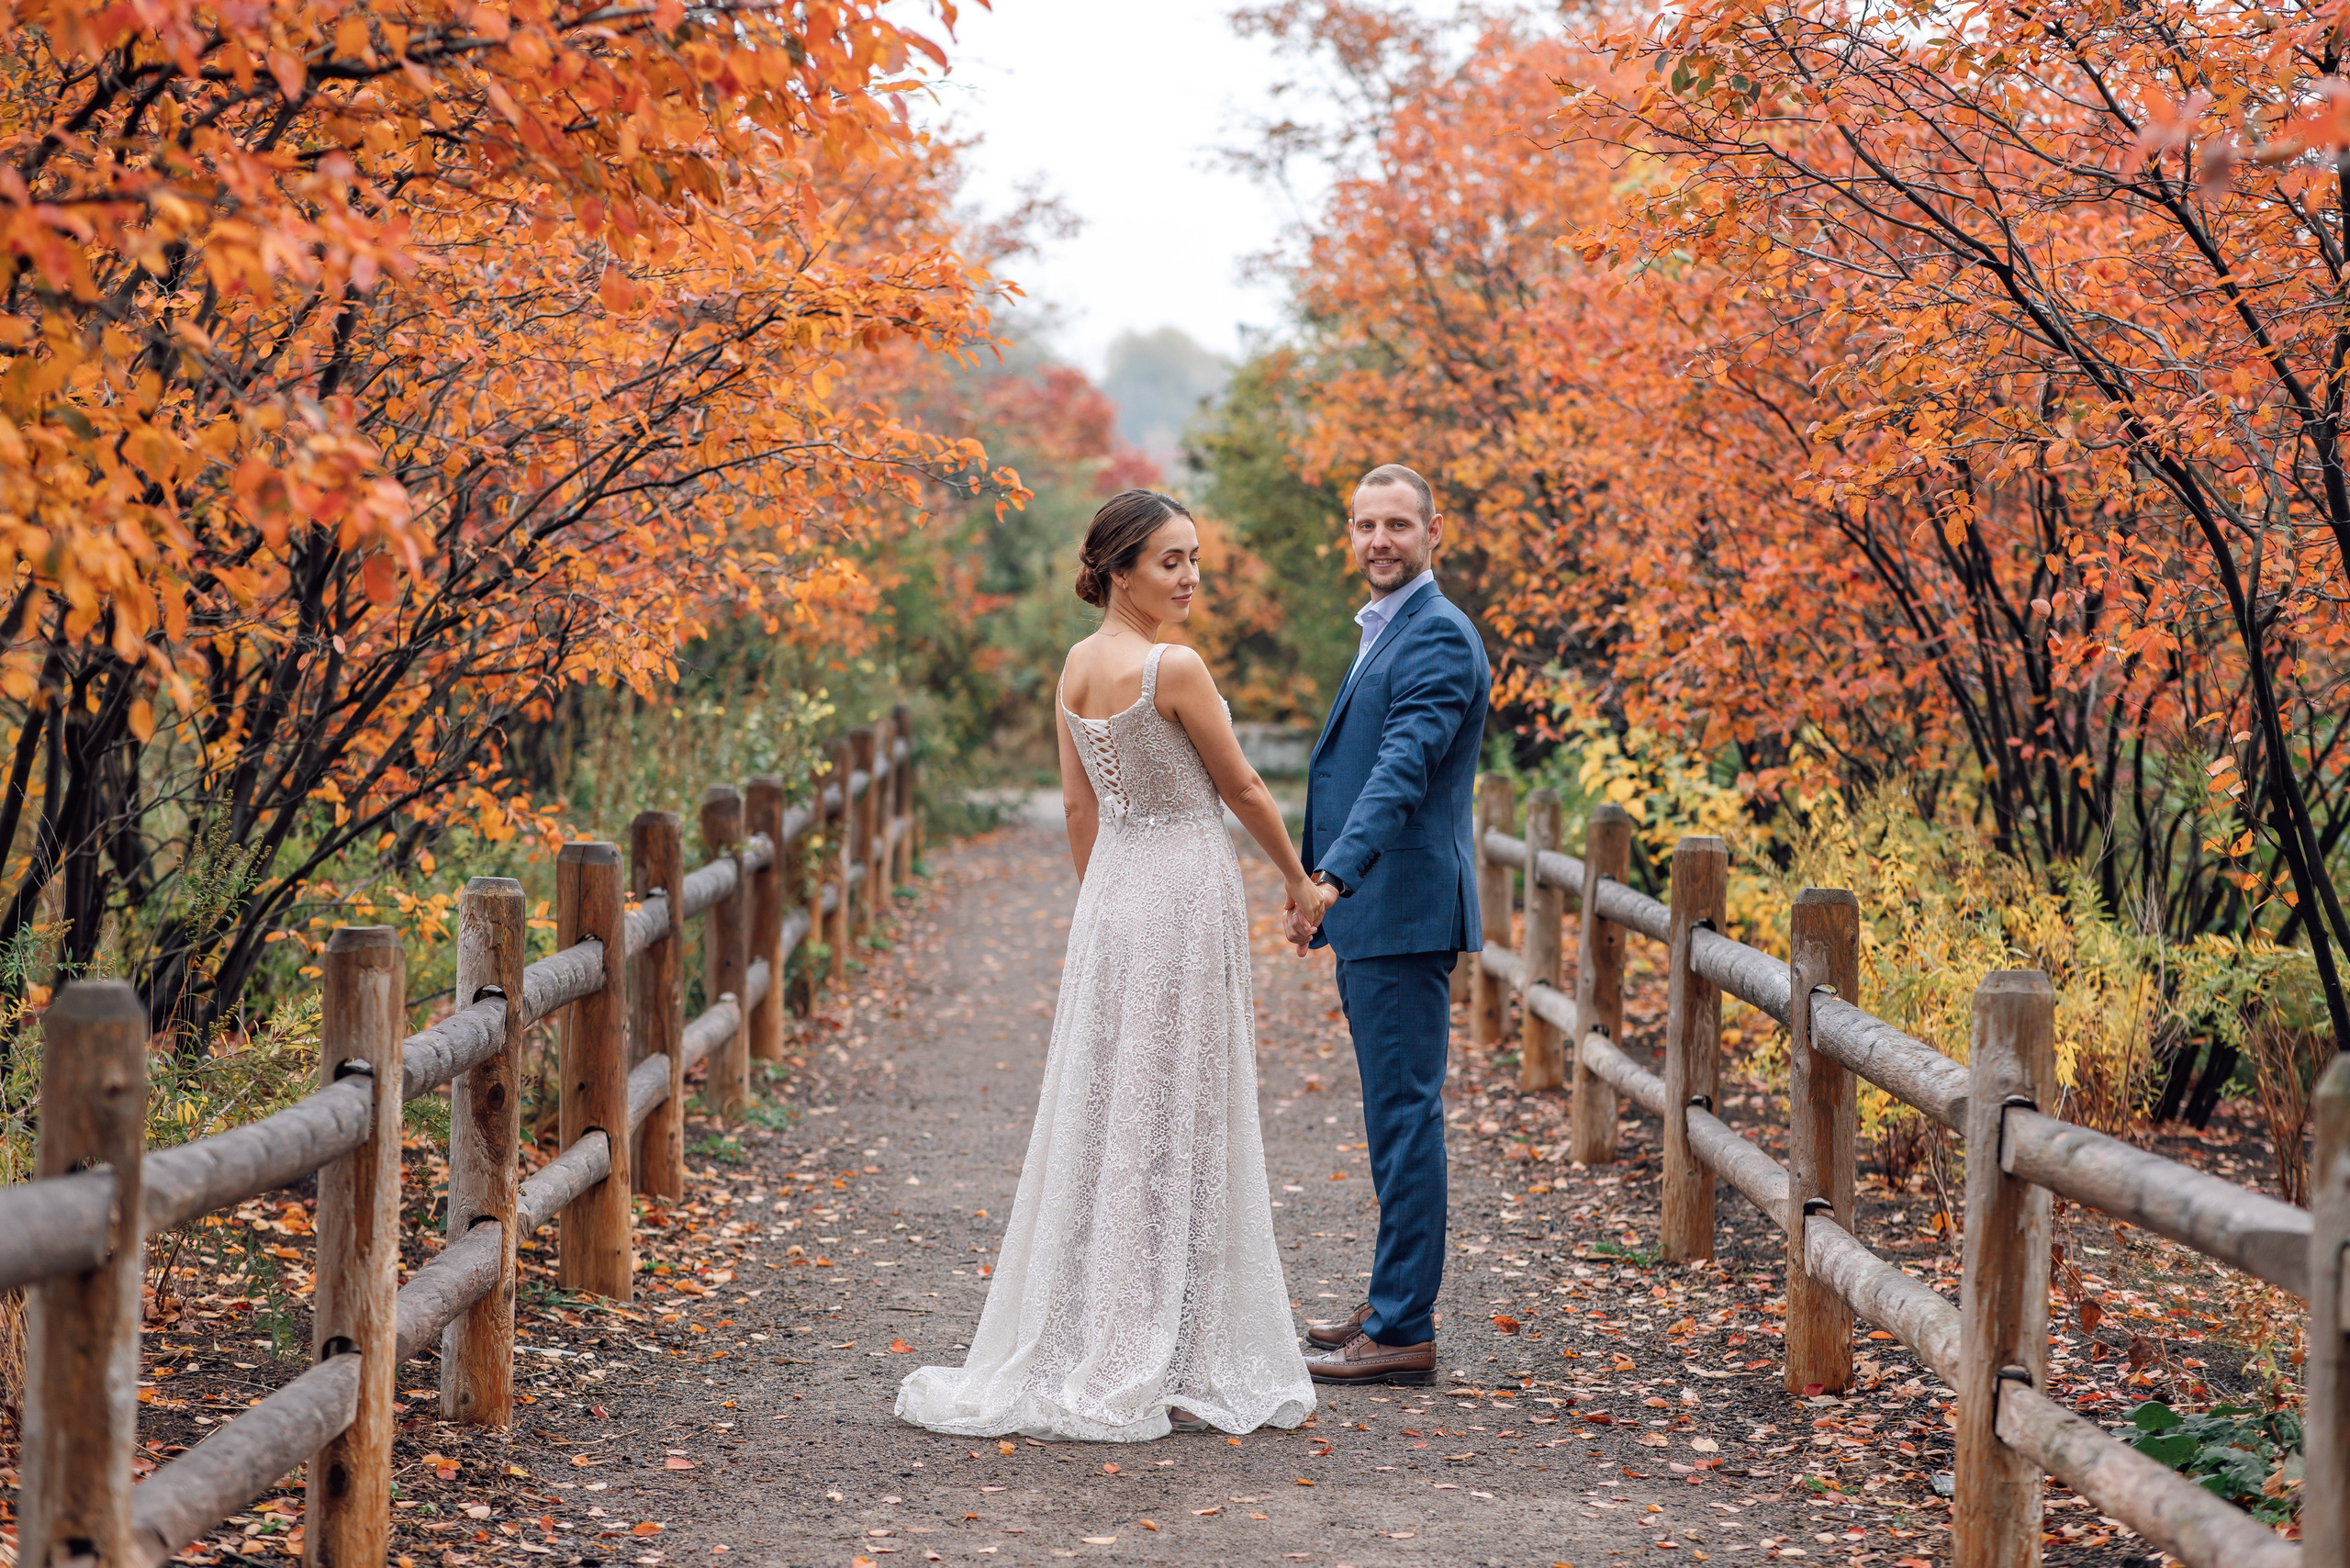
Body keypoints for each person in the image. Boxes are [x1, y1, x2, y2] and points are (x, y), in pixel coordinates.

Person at [895, 489, 1328, 1442]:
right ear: (1120, 567)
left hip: (1117, 896)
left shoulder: (1076, 665)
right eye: (1171, 560)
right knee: (1175, 1104)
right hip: (1179, 885)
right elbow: (1242, 786)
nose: (1190, 576)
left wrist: (1104, 906)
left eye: (1195, 558)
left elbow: (1080, 809)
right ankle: (1163, 1343)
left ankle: (1122, 1327)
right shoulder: (1173, 665)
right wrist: (1300, 883)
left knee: (1118, 1105)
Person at [1285, 464, 1489, 1386]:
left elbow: (1397, 774)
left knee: (1404, 1118)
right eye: (1365, 523)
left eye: (1397, 524)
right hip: (1383, 914)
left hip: (1399, 911)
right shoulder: (1390, 628)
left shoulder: (1438, 637)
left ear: (1431, 533)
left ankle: (1404, 1326)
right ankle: (1387, 1301)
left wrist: (1329, 874)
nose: (1379, 540)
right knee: (1390, 1115)